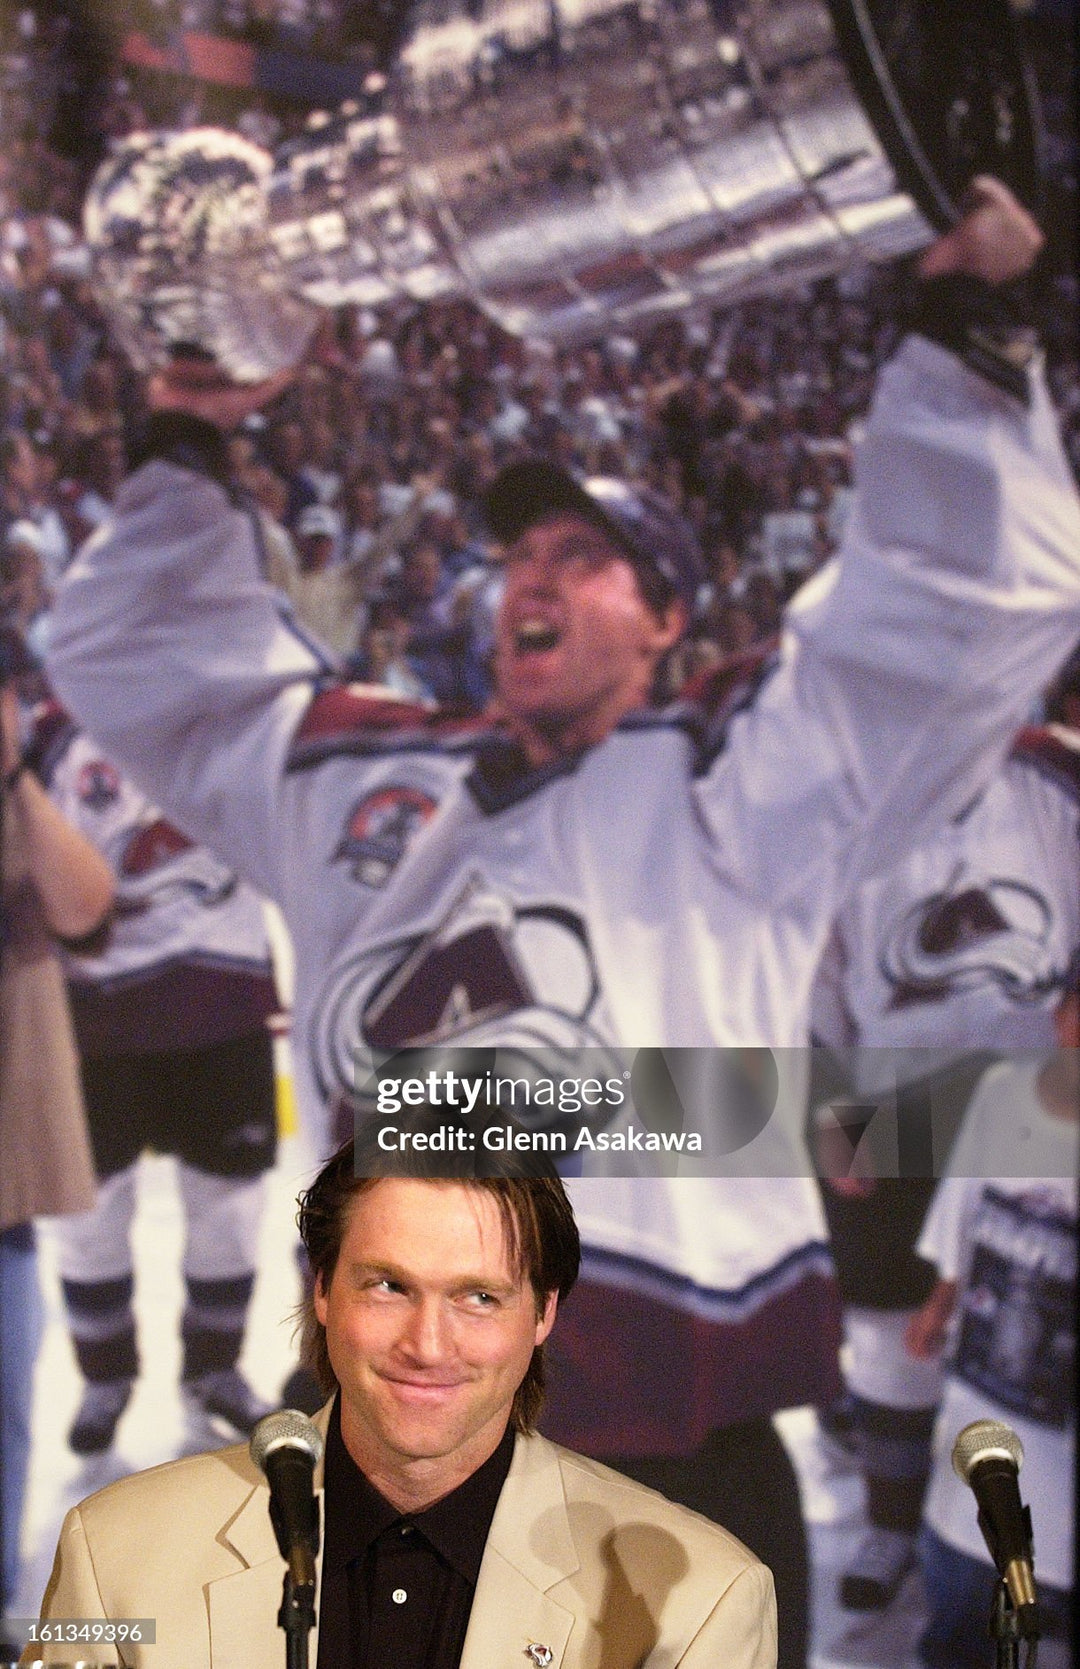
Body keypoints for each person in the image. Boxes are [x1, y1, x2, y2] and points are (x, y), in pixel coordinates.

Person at [42, 177, 1080, 1668]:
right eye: (520, 554)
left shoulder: (738, 783)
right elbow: (141, 657)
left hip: (667, 1464)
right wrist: (187, 433)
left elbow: (964, 606)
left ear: (670, 621)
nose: (532, 571)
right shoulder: (358, 778)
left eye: (586, 558)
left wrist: (965, 324)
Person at [27, 1118, 778, 1668]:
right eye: (389, 1285)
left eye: (478, 1296)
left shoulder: (699, 1602)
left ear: (544, 1313)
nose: (427, 1343)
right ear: (321, 1289)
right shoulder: (115, 1556)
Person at [810, 713, 1080, 1610]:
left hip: (1041, 1097)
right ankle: (892, 1526)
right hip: (893, 1096)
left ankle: (991, 1544)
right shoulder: (848, 787)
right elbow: (807, 955)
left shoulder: (1057, 775)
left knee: (1027, 1343)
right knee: (892, 1331)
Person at [33, 706, 281, 1453]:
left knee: (231, 1208)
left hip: (224, 1003)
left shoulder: (244, 716)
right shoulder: (50, 729)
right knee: (89, 1213)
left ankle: (215, 1367)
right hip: (94, 1018)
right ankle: (104, 1375)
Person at [903, 987, 1078, 1669]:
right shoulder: (1004, 1093)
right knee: (960, 1611)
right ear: (1063, 1011)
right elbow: (964, 1205)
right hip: (985, 1411)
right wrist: (940, 1300)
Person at [0, 659, 112, 1644]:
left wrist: (12, 776)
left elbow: (87, 908)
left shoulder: (17, 809)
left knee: (6, 1414)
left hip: (2, 1186)